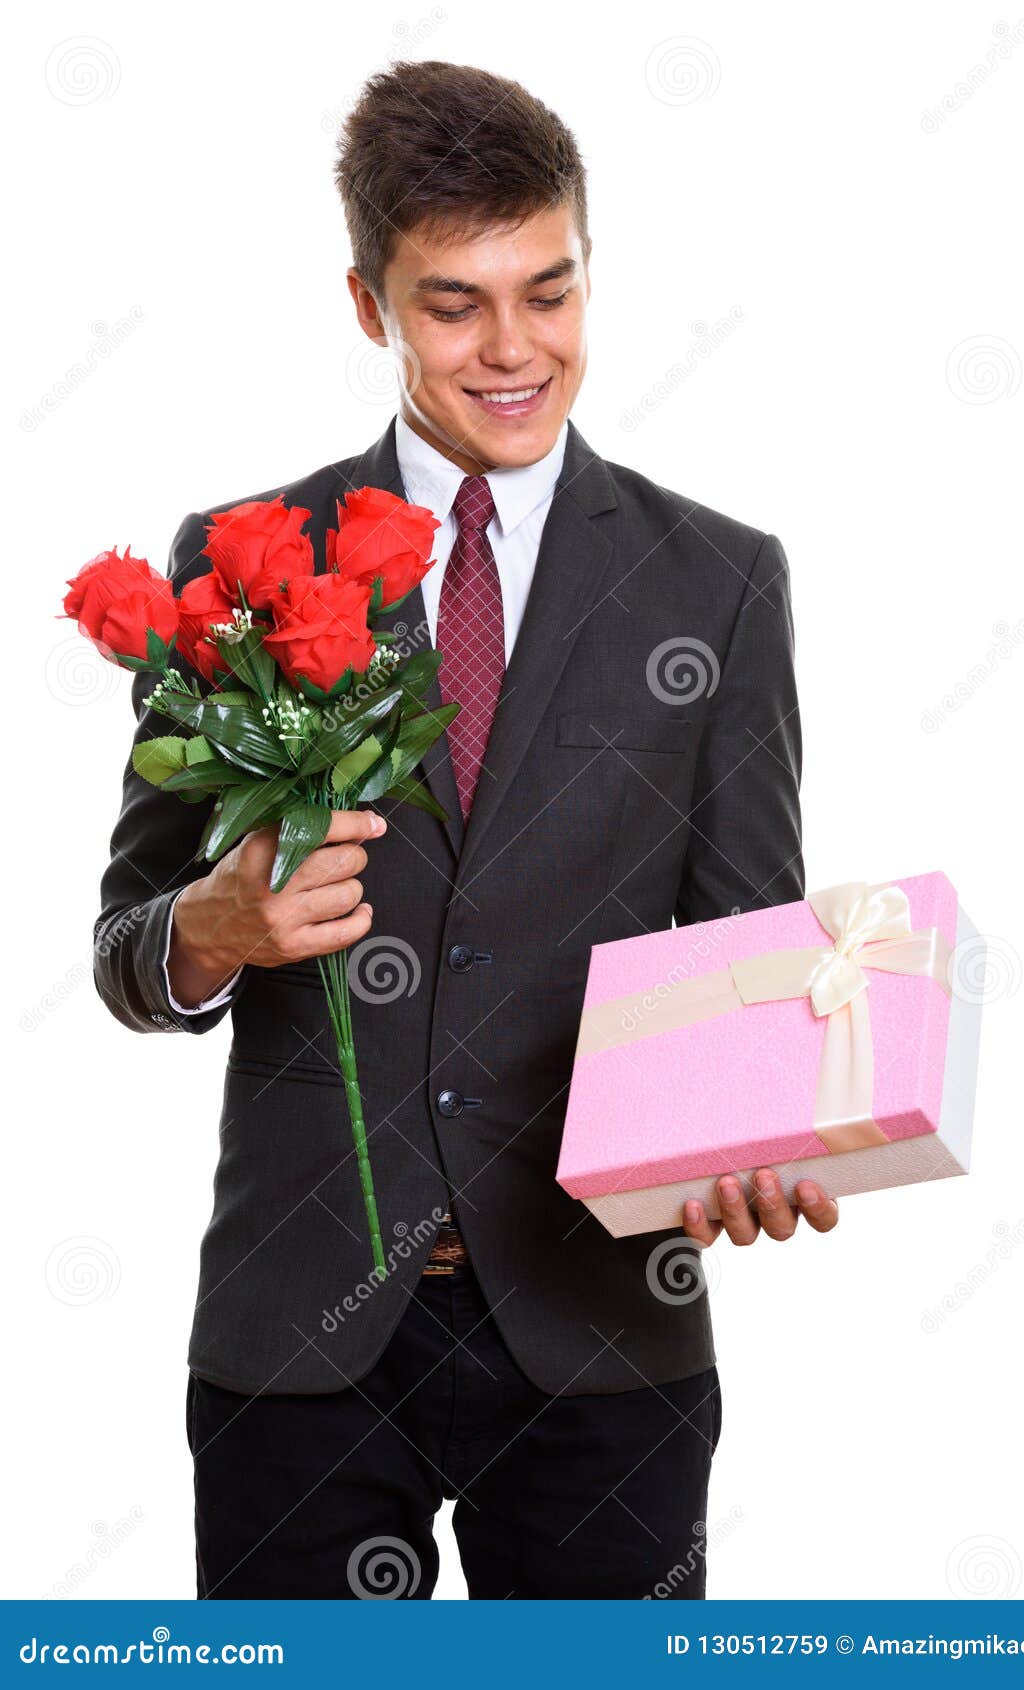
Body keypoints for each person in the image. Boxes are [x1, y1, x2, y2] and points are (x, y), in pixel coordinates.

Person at [95, 59, 837, 1601]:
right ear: (369, 305)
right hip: (298, 1340)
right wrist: (212, 935)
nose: (515, 350)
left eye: (549, 292)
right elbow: (127, 946)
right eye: (454, 305)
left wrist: (762, 1131)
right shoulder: (244, 561)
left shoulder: (719, 584)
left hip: (605, 1339)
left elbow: (757, 951)